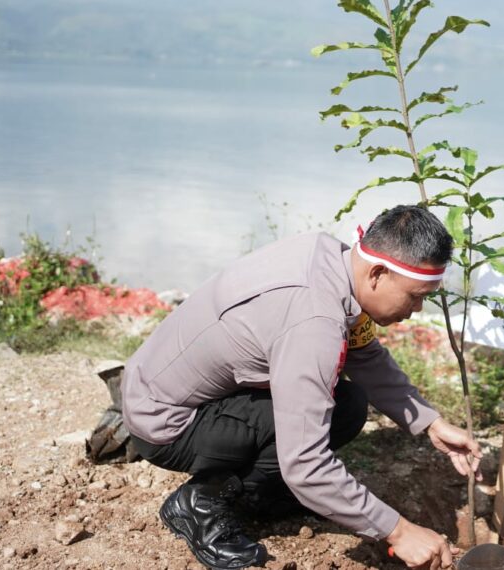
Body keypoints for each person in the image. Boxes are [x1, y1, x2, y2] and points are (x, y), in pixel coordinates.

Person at [121, 204, 482, 569]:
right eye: (415, 295)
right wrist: (400, 532)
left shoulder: (331, 259)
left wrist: (431, 423)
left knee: (348, 404)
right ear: (377, 273)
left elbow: (365, 355)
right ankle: (201, 502)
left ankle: (265, 493)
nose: (418, 309)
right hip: (165, 423)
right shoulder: (314, 319)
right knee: (327, 423)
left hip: (169, 388)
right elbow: (305, 462)